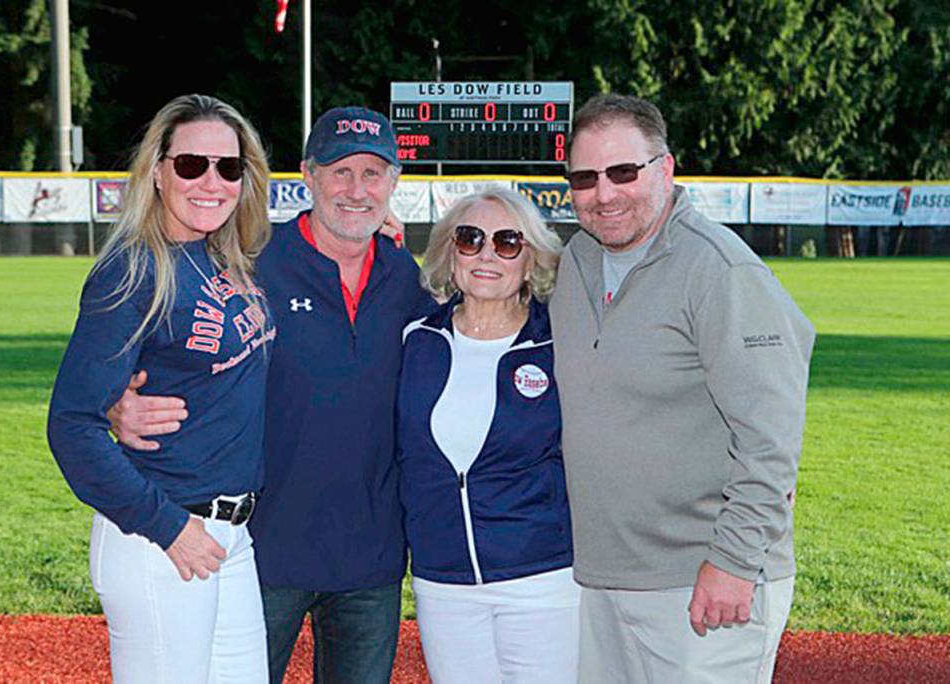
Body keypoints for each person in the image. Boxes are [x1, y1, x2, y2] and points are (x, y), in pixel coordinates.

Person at [110, 106, 435, 684]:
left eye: (373, 172)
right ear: (307, 176)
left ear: (394, 180)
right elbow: (164, 343)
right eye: (339, 171)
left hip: (372, 554)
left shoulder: (405, 276)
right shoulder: (250, 262)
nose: (356, 189)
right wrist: (116, 401)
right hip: (264, 546)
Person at [550, 92, 815, 683]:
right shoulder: (575, 262)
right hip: (603, 577)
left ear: (666, 168)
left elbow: (770, 441)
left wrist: (735, 562)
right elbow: (485, 282)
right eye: (585, 178)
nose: (604, 193)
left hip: (704, 580)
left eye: (623, 172)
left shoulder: (721, 270)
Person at [47, 94, 275, 682]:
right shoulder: (133, 268)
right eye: (192, 164)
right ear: (158, 171)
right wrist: (168, 526)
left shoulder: (221, 255)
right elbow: (72, 426)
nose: (212, 181)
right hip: (161, 537)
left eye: (228, 167)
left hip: (230, 534)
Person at [398, 187, 579, 683]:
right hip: (443, 581)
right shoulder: (416, 339)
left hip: (540, 579)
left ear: (530, 259)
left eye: (507, 242)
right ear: (450, 253)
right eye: (471, 238)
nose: (486, 254)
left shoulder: (557, 343)